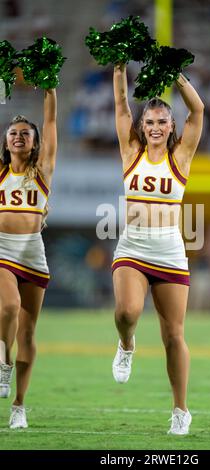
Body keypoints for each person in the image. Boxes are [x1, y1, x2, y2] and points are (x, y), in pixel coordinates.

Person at [111, 63, 204, 435]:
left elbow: (198, 110)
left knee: (173, 335)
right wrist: (119, 66)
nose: (154, 127)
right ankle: (126, 344)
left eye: (162, 121)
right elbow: (120, 105)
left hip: (169, 252)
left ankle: (181, 410)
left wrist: (177, 74)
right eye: (149, 121)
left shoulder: (180, 157)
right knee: (127, 311)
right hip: (132, 247)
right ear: (141, 126)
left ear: (170, 126)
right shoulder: (131, 151)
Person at [0, 88, 57, 429]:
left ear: (35, 143)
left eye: (25, 134)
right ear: (5, 142)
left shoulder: (44, 170)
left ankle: (19, 405)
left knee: (30, 333)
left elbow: (50, 120)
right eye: (12, 133)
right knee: (8, 309)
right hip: (2, 249)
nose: (19, 137)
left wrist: (50, 87)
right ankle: (3, 363)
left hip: (32, 251)